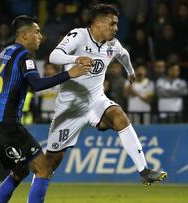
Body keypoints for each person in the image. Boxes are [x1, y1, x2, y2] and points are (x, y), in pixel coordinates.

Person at [45, 3, 167, 189]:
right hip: (70, 108)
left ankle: (144, 171)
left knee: (119, 116)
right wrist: (76, 59)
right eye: (112, 24)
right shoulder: (78, 35)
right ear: (98, 23)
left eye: (116, 24)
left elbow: (124, 55)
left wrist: (130, 71)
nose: (116, 28)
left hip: (95, 100)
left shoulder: (112, 45)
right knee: (49, 164)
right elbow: (54, 56)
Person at [0, 15, 90, 203]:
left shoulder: (2, 54)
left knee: (20, 172)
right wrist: (69, 74)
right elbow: (37, 84)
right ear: (24, 35)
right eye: (37, 32)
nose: (40, 36)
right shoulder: (25, 56)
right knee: (44, 170)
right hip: (9, 126)